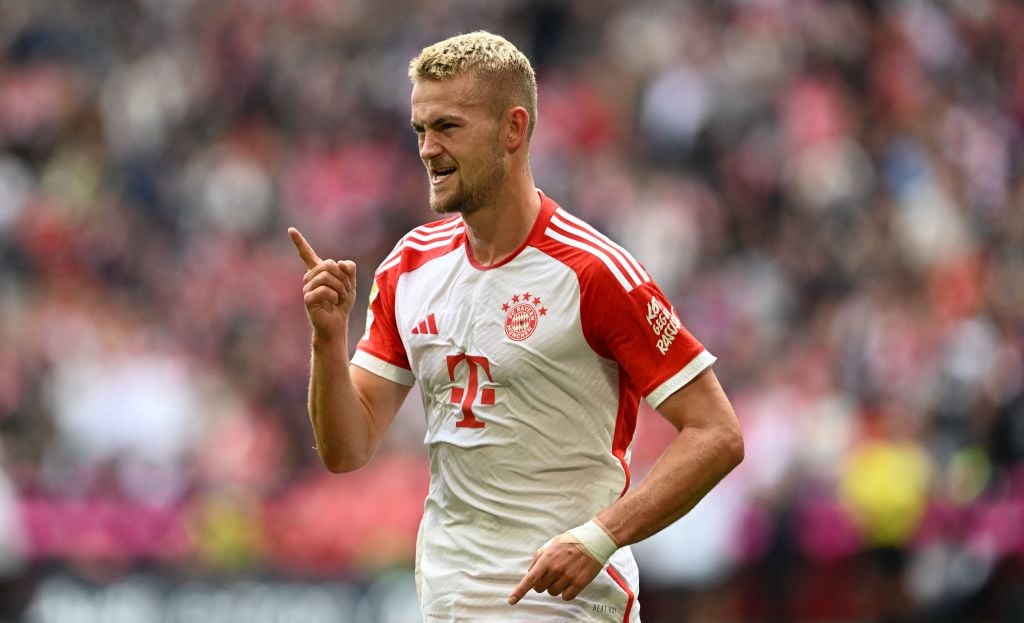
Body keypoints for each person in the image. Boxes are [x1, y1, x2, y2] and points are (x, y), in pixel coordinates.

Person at [288, 31, 743, 623]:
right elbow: (346, 449)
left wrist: (599, 537)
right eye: (420, 130)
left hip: (564, 605)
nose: (427, 149)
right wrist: (327, 338)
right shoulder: (409, 265)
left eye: (447, 127)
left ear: (513, 129)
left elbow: (716, 434)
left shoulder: (594, 272)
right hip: (448, 599)